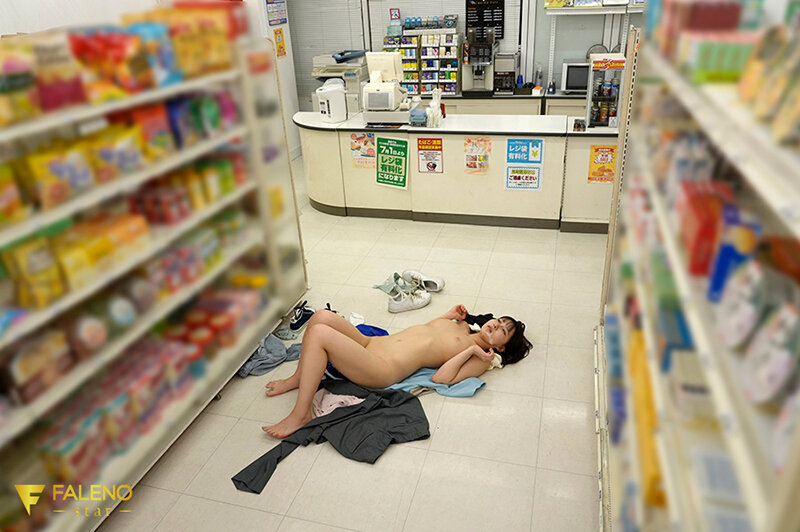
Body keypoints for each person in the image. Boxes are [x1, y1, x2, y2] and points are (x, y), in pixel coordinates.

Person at [261, 304, 532, 438]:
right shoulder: (462, 326)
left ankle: (301, 414)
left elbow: (441, 378)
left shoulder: (480, 359)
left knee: (320, 333)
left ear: (502, 348)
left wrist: (472, 351)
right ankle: (299, 377)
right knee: (321, 316)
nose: (496, 325)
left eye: (503, 331)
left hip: (382, 368)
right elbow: (427, 334)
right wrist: (447, 315)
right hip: (372, 343)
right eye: (499, 321)